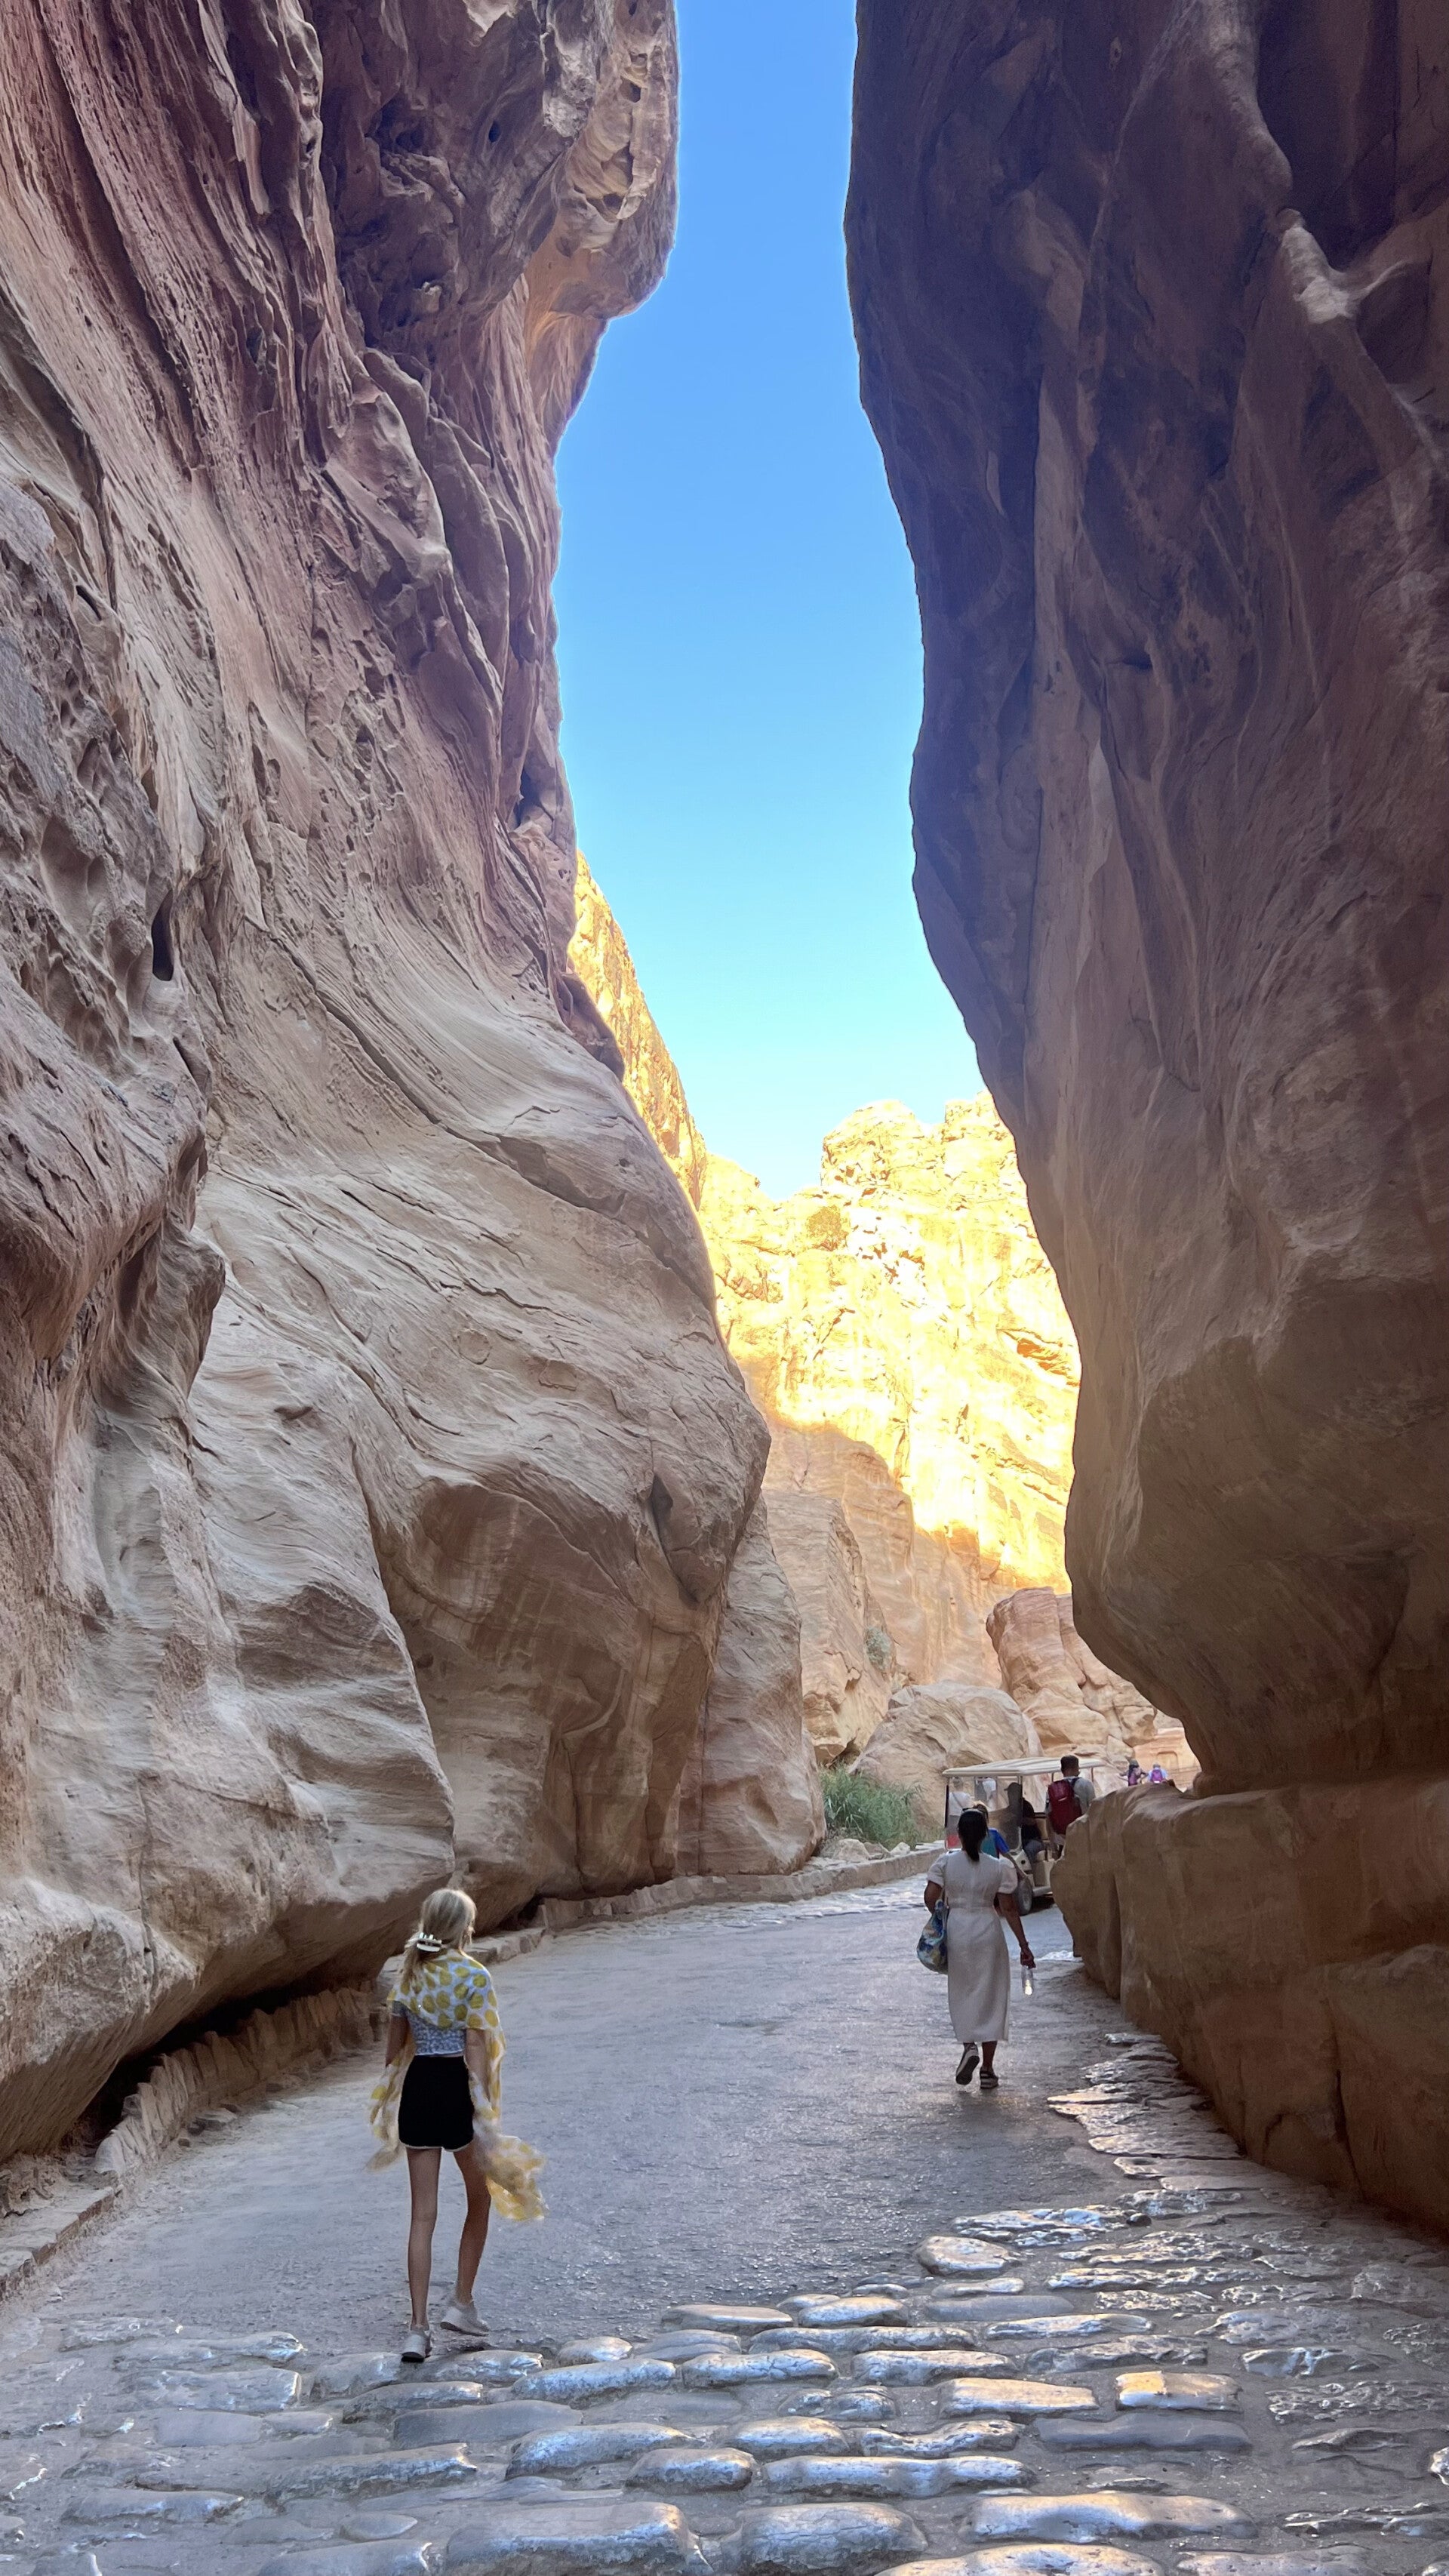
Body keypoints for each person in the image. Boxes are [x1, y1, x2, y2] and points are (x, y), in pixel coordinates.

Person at [369, 1888, 545, 2362]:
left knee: (421, 2216)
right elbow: (476, 2047)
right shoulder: (473, 1974)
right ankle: (461, 2302)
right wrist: (483, 2108)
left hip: (419, 2087)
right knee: (479, 2196)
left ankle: (417, 2329)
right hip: (455, 2088)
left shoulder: (409, 1972)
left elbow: (392, 2053)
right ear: (463, 1928)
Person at [923, 1811, 1035, 2092]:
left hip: (958, 1930)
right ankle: (987, 2069)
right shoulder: (998, 1868)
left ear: (959, 1835)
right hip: (988, 1929)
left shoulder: (946, 1863)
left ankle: (968, 2046)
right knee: (991, 1996)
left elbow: (930, 1897)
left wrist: (942, 1916)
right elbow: (1009, 1908)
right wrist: (1024, 1946)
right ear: (985, 1835)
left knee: (963, 1992)